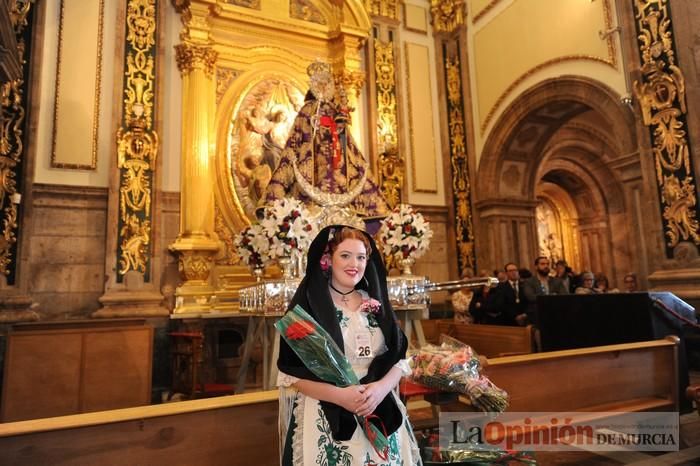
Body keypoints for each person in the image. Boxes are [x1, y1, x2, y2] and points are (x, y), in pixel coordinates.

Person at [276, 225, 420, 465]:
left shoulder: (375, 304)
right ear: (327, 260)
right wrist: (341, 396)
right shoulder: (309, 309)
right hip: (327, 414)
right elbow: (290, 374)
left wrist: (381, 389)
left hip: (378, 410)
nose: (354, 263)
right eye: (345, 255)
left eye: (361, 257)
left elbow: (400, 360)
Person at [263, 61, 389, 217]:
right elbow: (298, 137)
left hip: (337, 161)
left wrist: (341, 125)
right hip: (312, 164)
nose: (323, 87)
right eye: (320, 83)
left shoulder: (335, 110)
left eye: (326, 83)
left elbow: (346, 141)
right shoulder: (308, 110)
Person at [520, 256, 569, 325]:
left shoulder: (557, 281)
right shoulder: (529, 282)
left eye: (547, 264)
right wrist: (552, 296)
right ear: (536, 267)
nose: (546, 266)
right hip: (537, 314)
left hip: (556, 313)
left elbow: (564, 296)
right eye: (542, 264)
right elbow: (531, 297)